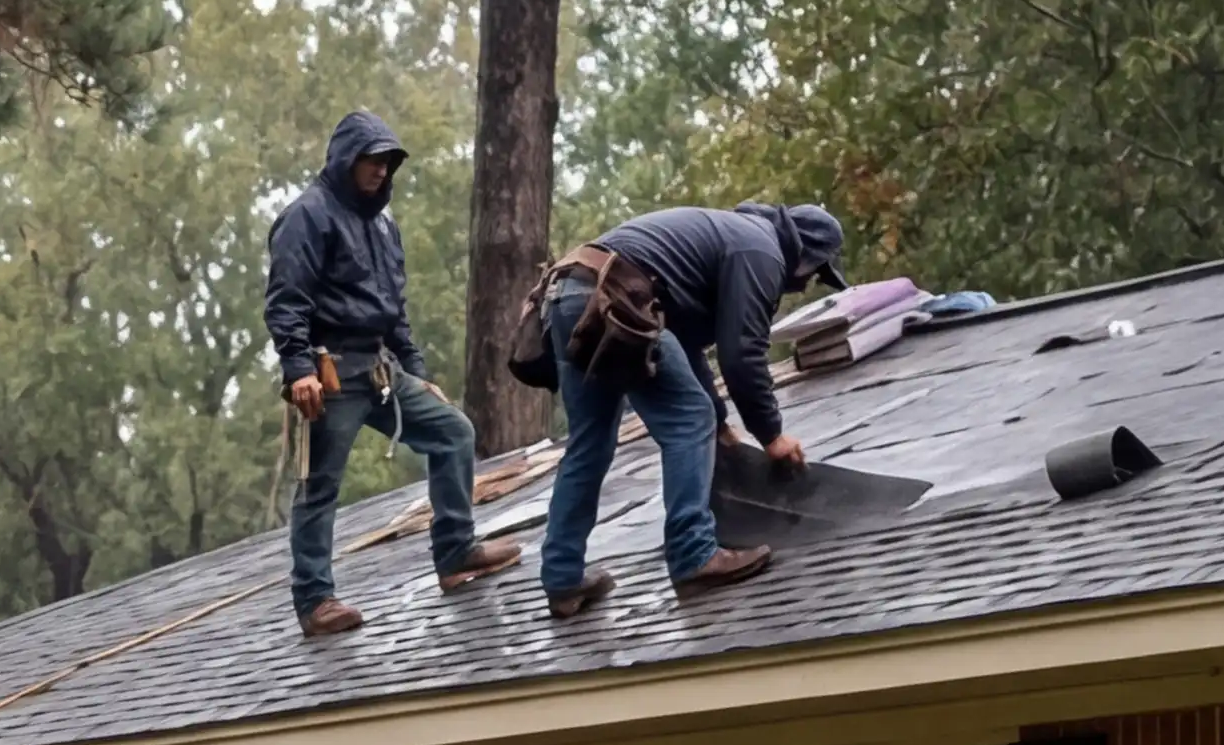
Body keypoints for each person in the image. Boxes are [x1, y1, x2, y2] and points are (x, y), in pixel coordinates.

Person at [270, 110, 518, 637]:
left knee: (454, 432)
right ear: (345, 160)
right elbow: (286, 301)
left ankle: (455, 554)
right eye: (372, 161)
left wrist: (417, 370)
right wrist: (298, 369)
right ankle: (315, 601)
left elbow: (394, 309)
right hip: (329, 372)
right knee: (318, 486)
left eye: (388, 163)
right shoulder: (307, 216)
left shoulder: (384, 225)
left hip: (382, 370)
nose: (382, 171)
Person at [537, 201, 829, 616]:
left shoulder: (734, 235)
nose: (804, 285)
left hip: (569, 293)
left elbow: (684, 344)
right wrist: (772, 436)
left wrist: (722, 424)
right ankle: (694, 554)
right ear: (806, 258)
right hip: (614, 295)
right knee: (690, 420)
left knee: (591, 442)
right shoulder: (761, 251)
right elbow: (741, 354)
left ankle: (563, 578)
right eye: (814, 275)